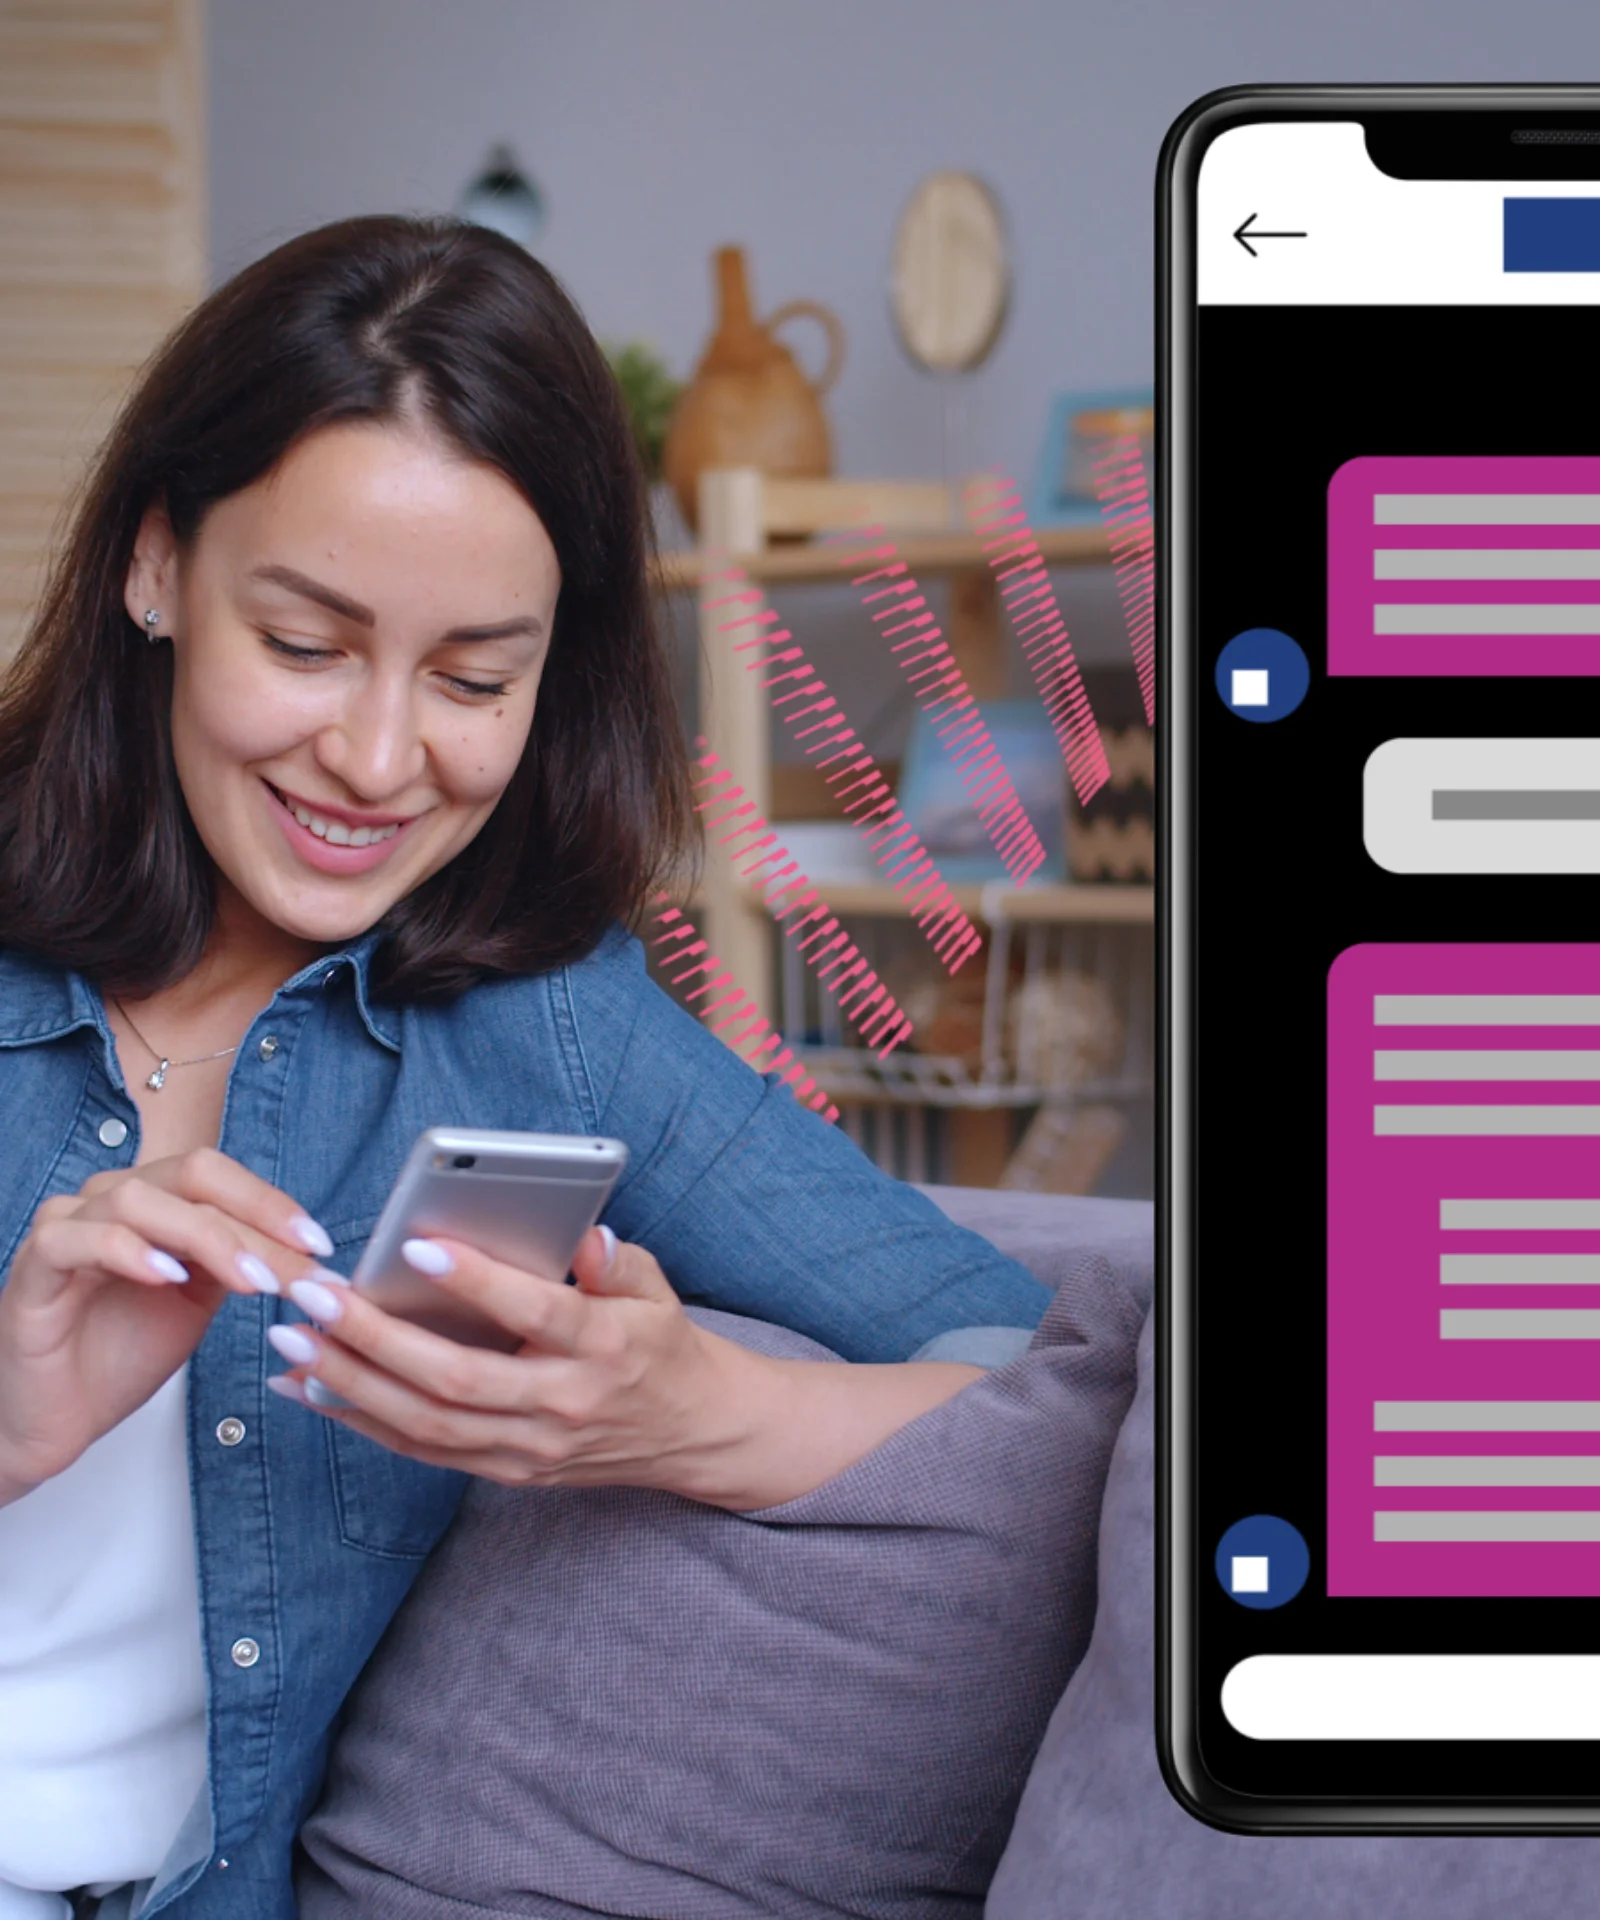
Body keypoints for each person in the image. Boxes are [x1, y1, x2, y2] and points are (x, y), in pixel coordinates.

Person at [0, 216, 1049, 1920]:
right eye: (307, 642)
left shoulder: (547, 1023)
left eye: (475, 675)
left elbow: (1031, 1367)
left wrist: (695, 1415)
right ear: (154, 568)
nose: (381, 757)